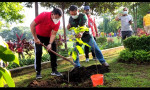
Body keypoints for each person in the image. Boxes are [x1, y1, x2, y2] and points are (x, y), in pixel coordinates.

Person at [30, 7, 63, 79]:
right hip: (38, 36)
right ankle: (38, 72)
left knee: (53, 52)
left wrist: (50, 43)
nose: (57, 20)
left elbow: (53, 34)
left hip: (48, 37)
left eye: (59, 18)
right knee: (38, 52)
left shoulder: (57, 22)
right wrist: (36, 38)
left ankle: (54, 70)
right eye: (56, 18)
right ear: (52, 14)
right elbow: (32, 25)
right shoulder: (43, 15)